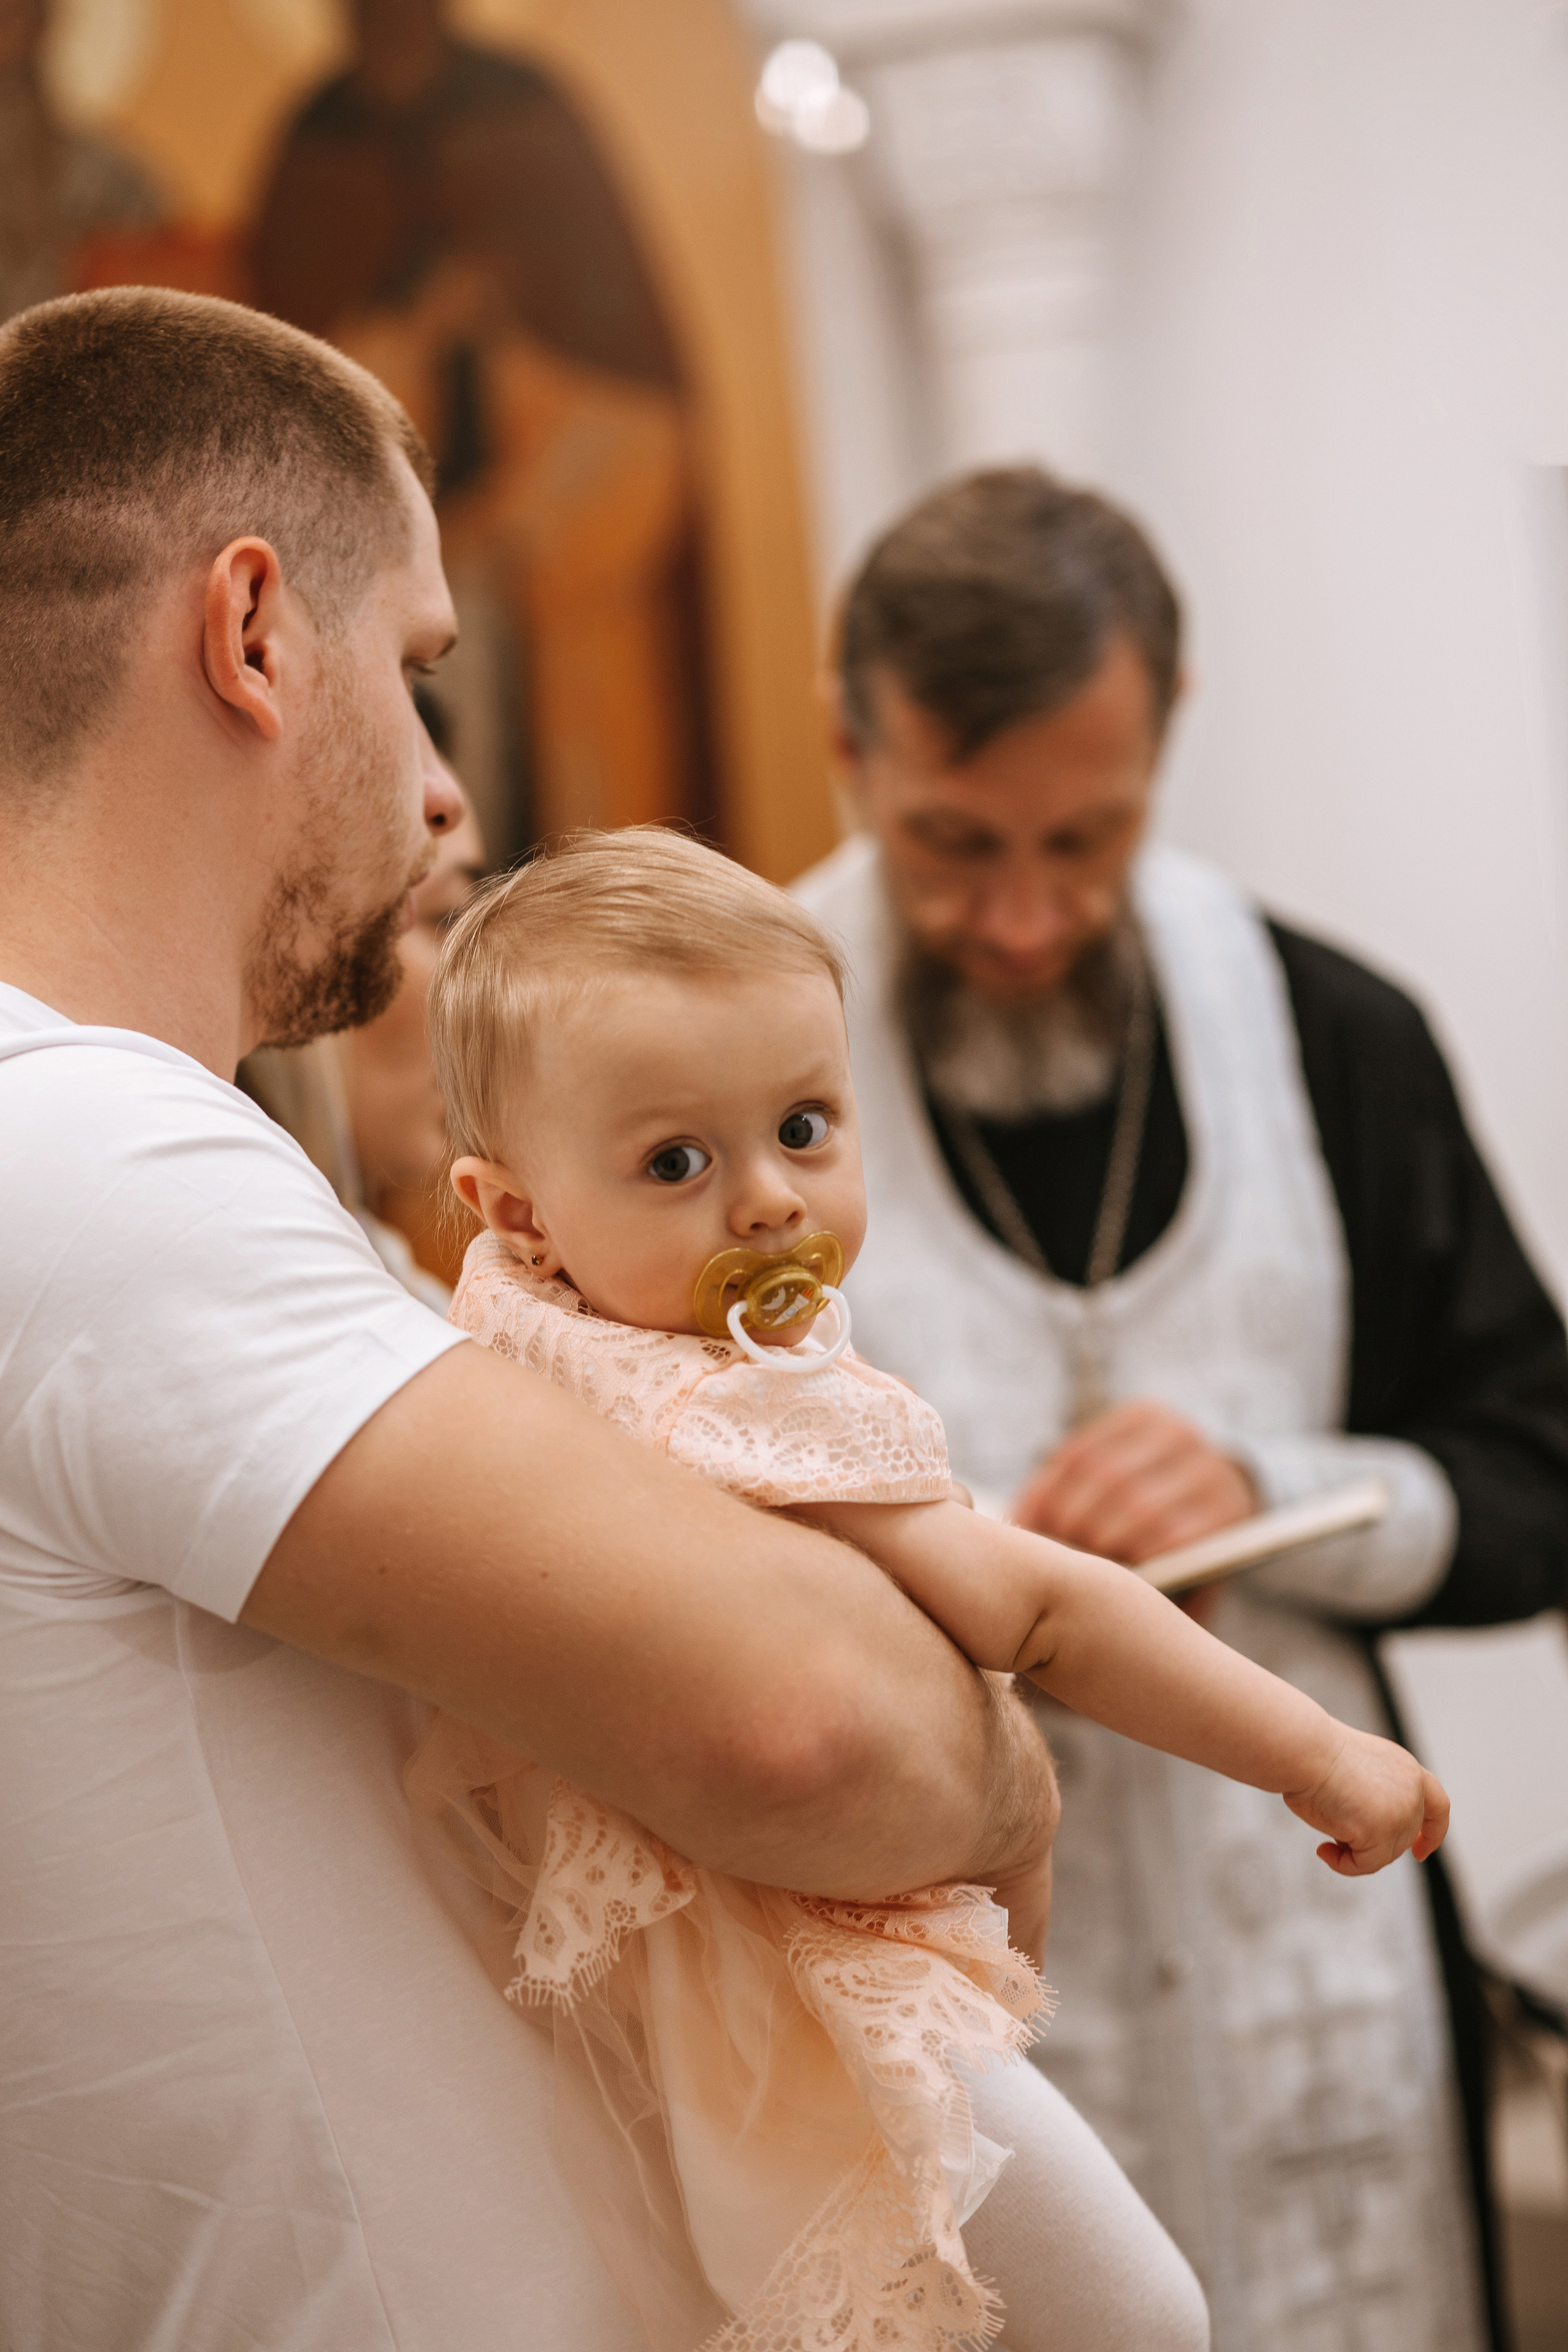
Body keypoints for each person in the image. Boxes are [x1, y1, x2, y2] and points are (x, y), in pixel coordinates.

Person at [0, 290, 1060, 2351]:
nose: (446, 795)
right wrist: (1013, 1776)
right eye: (411, 675)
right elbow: (805, 1723)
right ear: (247, 635)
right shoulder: (90, 1166)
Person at [403, 823, 1444, 2350]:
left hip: (565, 2014)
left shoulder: (499, 1345)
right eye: (677, 1162)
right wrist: (1314, 1754)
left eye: (807, 1125)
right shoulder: (746, 1409)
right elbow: (1048, 1610)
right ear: (515, 1213)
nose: (766, 1203)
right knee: (1138, 2317)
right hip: (796, 2002)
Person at [794, 466, 1568, 2352]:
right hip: (941, 1993)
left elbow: (1544, 1469)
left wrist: (1278, 1491)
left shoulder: (1337, 1034)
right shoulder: (722, 1052)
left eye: (1092, 837)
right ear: (848, 754)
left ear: (1167, 731)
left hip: (1323, 1978)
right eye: (954, 842)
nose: (1029, 912)